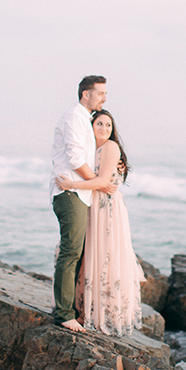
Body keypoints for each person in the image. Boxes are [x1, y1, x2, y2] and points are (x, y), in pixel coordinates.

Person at [57, 109, 144, 337]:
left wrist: (71, 185)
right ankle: (82, 310)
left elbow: (104, 181)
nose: (104, 129)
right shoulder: (90, 148)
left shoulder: (110, 147)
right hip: (90, 204)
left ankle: (100, 314)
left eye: (108, 125)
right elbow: (94, 177)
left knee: (104, 257)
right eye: (99, 124)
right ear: (91, 126)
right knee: (85, 256)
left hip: (106, 208)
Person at [49, 75, 110, 332]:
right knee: (70, 252)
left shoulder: (85, 119)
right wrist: (97, 181)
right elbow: (75, 158)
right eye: (101, 93)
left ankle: (69, 309)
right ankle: (64, 313)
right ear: (86, 94)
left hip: (79, 194)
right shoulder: (74, 117)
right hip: (69, 194)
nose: (104, 98)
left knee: (77, 253)